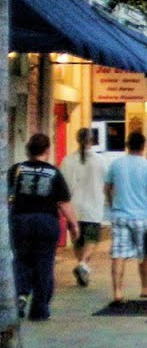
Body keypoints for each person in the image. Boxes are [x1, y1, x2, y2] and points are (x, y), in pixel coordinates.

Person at [10, 133, 78, 321]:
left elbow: (7, 197)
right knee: (44, 264)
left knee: (21, 260)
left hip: (20, 221)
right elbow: (63, 203)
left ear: (28, 150)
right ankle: (39, 309)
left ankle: (21, 294)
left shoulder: (16, 170)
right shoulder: (54, 172)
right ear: (47, 150)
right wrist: (73, 225)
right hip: (46, 222)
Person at [104, 132, 147, 305]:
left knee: (118, 255)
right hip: (142, 216)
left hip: (119, 215)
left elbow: (107, 188)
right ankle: (145, 287)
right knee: (143, 254)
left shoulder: (116, 165)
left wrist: (112, 202)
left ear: (127, 145)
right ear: (143, 147)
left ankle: (118, 292)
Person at [59, 128, 105, 288]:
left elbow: (62, 185)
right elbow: (106, 183)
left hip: (74, 207)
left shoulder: (67, 160)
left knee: (77, 240)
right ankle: (83, 265)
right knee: (92, 239)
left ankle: (82, 267)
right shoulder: (100, 161)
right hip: (94, 206)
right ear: (92, 141)